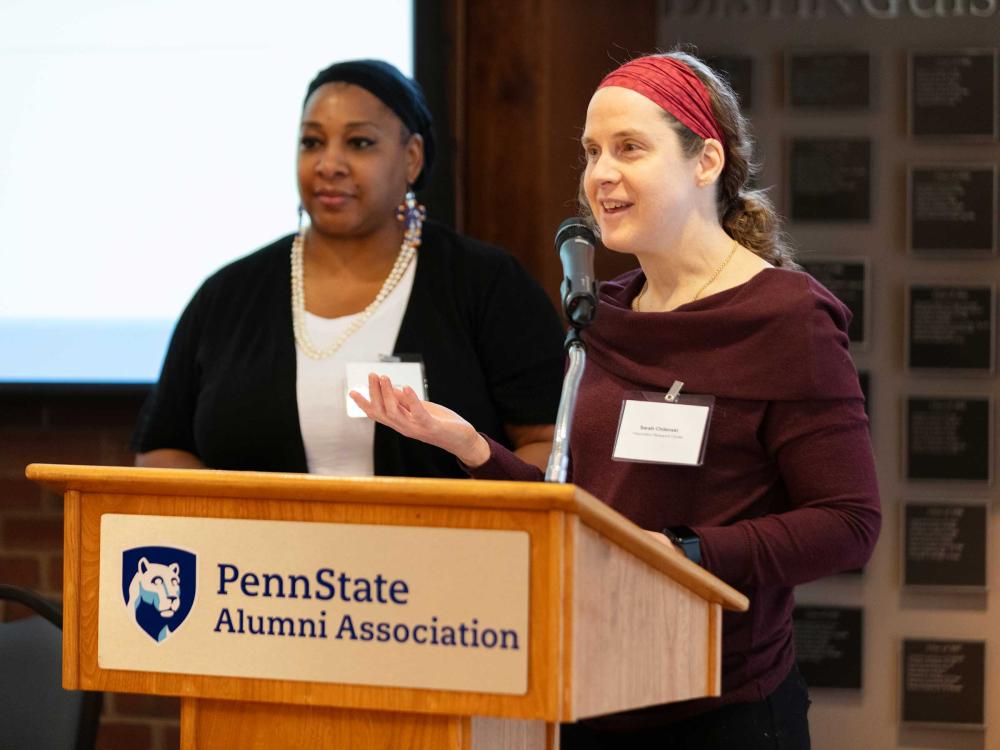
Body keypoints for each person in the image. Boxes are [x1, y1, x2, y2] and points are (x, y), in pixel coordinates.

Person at [351, 51, 881, 749]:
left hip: (721, 712)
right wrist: (471, 447)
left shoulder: (785, 319)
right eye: (591, 152)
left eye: (629, 148)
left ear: (706, 162)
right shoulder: (605, 312)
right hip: (592, 696)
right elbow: (589, 517)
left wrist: (685, 554)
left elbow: (848, 522)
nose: (600, 175)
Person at [132, 59, 565, 477]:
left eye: (359, 143)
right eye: (312, 142)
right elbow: (161, 450)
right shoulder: (228, 294)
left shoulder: (485, 284)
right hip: (260, 554)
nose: (329, 164)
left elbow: (550, 443)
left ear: (412, 158)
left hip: (445, 548)